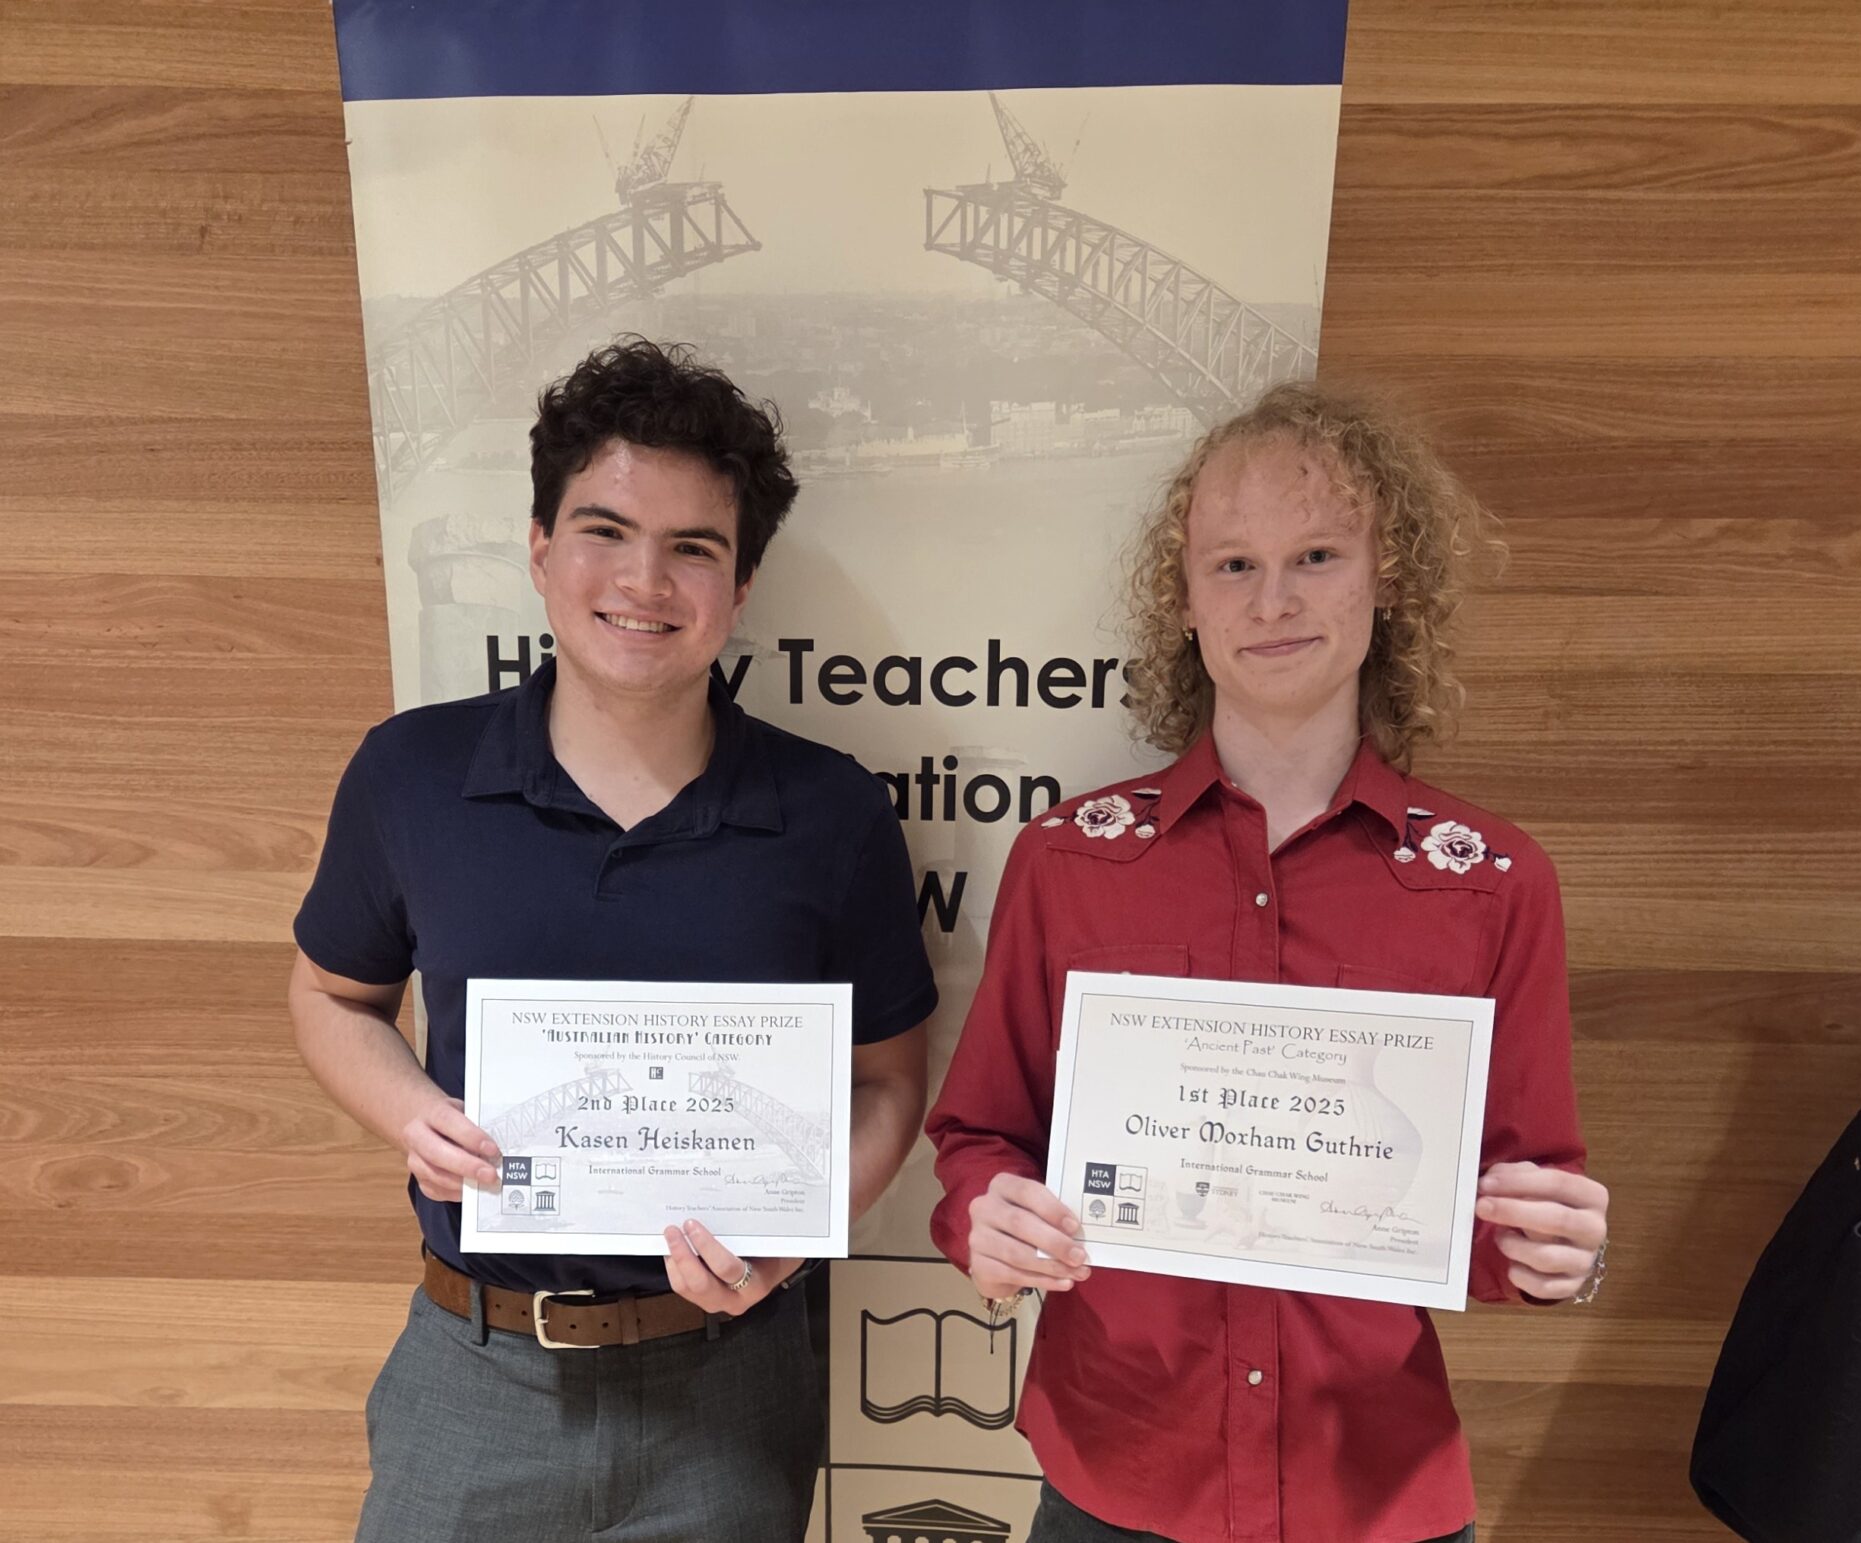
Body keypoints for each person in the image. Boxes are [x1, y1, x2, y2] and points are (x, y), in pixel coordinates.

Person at [925, 382, 1609, 1543]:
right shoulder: (1069, 857)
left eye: (1317, 556)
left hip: (1372, 1487)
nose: (1273, 599)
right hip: (1115, 1478)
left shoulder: (1492, 879)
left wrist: (1555, 1255)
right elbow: (982, 1133)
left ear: (1387, 577)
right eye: (1233, 564)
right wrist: (984, 1218)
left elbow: (1510, 1203)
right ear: (1186, 601)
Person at [290, 336, 934, 1543]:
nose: (646, 580)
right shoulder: (412, 773)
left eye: (694, 547)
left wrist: (794, 1236)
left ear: (741, 585)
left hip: (728, 1381)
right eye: (605, 530)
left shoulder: (831, 811)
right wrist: (407, 1112)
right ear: (540, 549)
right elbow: (331, 995)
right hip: (474, 1366)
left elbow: (891, 1080)